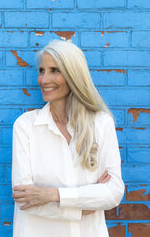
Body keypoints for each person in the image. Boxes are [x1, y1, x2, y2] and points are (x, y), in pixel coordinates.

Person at [11, 40, 124, 237]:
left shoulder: (101, 124)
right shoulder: (25, 126)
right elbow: (25, 200)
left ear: (73, 75)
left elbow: (113, 192)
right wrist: (87, 203)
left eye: (54, 70)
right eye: (41, 71)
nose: (44, 79)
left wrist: (53, 195)